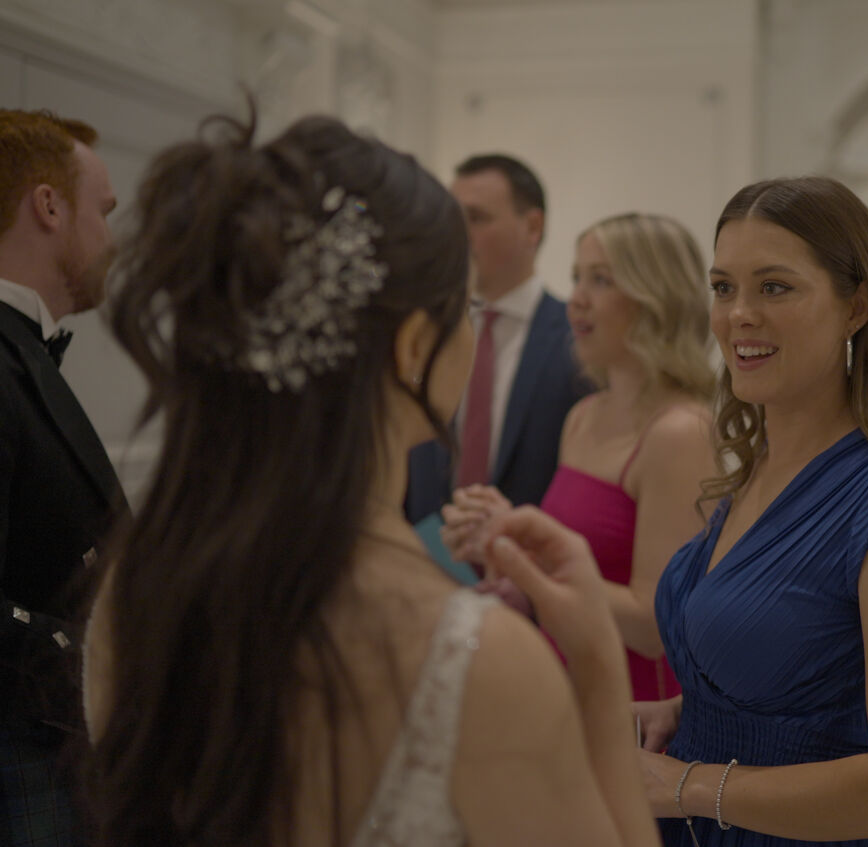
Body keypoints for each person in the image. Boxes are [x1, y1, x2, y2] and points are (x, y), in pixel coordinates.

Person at [81, 113, 658, 847]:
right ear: (414, 347)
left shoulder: (135, 585)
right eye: (463, 308)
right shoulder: (474, 661)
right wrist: (600, 672)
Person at [637, 176, 868, 846]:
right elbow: (806, 686)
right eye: (723, 287)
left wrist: (687, 785)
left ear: (856, 307)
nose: (739, 314)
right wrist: (688, 713)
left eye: (774, 287)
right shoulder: (756, 467)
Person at [442, 213, 717, 701]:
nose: (577, 300)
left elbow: (654, 627)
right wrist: (499, 540)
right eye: (576, 278)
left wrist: (521, 556)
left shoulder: (681, 434)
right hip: (563, 689)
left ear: (657, 298)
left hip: (634, 709)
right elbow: (565, 579)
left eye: (601, 280)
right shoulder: (582, 417)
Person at [0, 108, 123, 846]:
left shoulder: (20, 349)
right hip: (22, 761)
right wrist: (105, 658)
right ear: (48, 206)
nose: (111, 237)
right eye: (103, 211)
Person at [405, 154, 584, 520]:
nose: (457, 235)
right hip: (424, 545)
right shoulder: (422, 335)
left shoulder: (578, 340)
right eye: (452, 220)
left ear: (532, 227)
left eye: (475, 218)